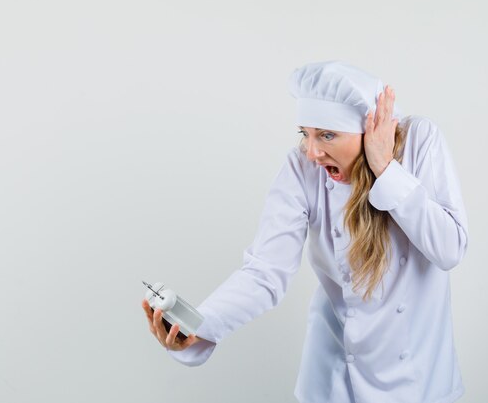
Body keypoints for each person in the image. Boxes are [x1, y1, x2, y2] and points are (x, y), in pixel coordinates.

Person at [141, 60, 469, 403]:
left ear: (368, 130)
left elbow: (450, 249)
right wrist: (201, 325)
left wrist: (385, 170)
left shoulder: (419, 142)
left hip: (417, 377)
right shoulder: (301, 169)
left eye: (327, 135)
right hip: (334, 373)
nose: (312, 152)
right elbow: (265, 271)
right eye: (306, 134)